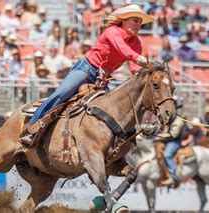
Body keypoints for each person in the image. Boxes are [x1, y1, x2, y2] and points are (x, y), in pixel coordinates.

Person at [20, 4, 152, 144]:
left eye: (140, 22)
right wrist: (140, 59)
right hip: (87, 69)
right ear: (124, 20)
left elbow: (134, 67)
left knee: (110, 110)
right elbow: (124, 50)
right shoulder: (112, 31)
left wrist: (141, 71)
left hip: (102, 78)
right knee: (62, 93)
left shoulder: (136, 42)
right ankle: (32, 128)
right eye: (135, 20)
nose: (138, 25)